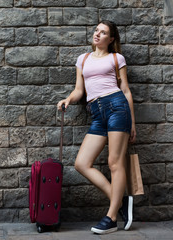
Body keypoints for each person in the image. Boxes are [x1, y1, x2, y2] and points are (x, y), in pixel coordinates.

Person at [57, 20, 137, 234]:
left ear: (111, 39)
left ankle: (111, 217)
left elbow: (126, 91)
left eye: (103, 33)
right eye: (96, 31)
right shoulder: (83, 59)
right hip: (97, 113)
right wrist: (68, 99)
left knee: (114, 163)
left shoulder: (116, 58)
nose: (97, 34)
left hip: (117, 108)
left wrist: (133, 124)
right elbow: (79, 91)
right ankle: (119, 201)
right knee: (82, 163)